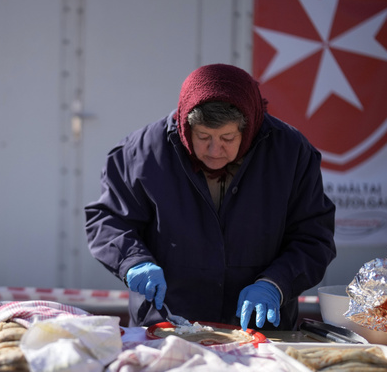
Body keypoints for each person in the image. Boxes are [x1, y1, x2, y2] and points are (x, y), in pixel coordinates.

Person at [85, 63, 336, 330]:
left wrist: (275, 284)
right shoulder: (142, 152)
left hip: (258, 329)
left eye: (227, 137)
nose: (215, 150)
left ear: (249, 128)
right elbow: (109, 219)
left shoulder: (291, 153)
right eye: (203, 136)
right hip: (166, 324)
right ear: (184, 124)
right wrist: (133, 261)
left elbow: (313, 236)